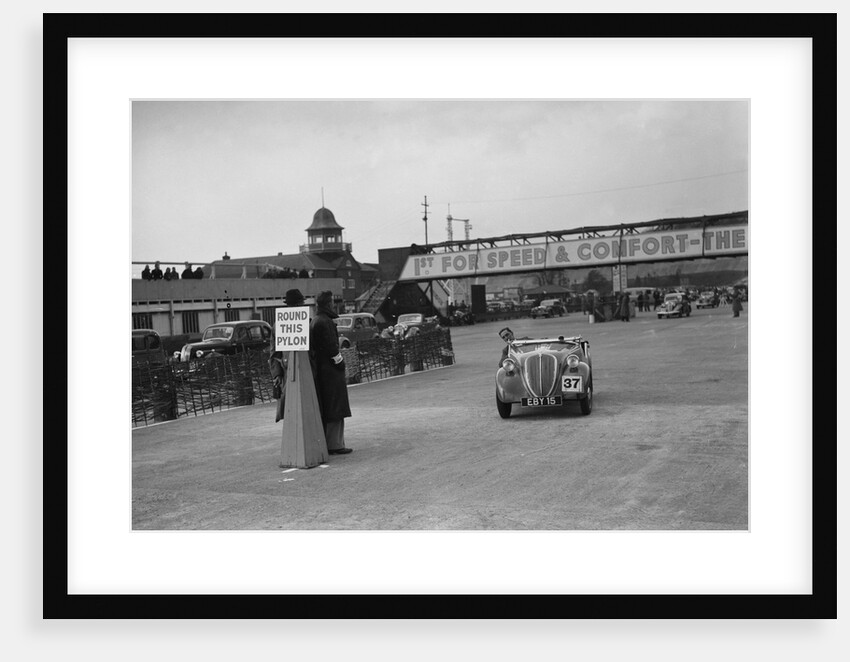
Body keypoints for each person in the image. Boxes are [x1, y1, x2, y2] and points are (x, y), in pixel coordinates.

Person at [310, 290, 352, 455]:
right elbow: (332, 348)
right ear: (328, 304)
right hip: (331, 371)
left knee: (328, 407)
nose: (334, 305)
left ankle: (331, 442)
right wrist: (341, 362)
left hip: (321, 370)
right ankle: (335, 444)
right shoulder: (325, 322)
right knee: (336, 407)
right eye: (332, 303)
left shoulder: (316, 320)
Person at [268, 288, 307, 423]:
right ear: (298, 304)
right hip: (296, 370)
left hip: (288, 370)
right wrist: (278, 374)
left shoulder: (278, 324)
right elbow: (274, 352)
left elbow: (273, 352)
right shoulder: (306, 322)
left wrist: (277, 374)